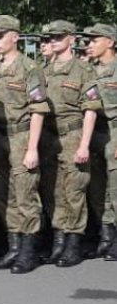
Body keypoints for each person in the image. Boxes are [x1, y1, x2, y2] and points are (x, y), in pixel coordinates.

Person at [0, 15, 49, 274]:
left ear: (15, 37)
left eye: (0, 36)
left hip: (21, 136)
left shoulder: (29, 69)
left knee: (25, 193)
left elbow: (38, 110)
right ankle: (13, 245)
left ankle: (28, 250)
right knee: (3, 194)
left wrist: (33, 147)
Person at [40, 20, 101, 267]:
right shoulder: (42, 71)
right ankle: (58, 240)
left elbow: (91, 109)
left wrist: (84, 144)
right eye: (50, 38)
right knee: (52, 189)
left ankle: (74, 242)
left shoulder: (83, 71)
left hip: (72, 134)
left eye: (58, 37)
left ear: (71, 40)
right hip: (48, 137)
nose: (53, 41)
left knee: (74, 189)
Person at [83, 23, 117, 261]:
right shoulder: (88, 71)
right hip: (94, 132)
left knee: (116, 188)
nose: (89, 45)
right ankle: (105, 235)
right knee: (96, 188)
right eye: (89, 41)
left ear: (110, 42)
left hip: (114, 131)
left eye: (95, 40)